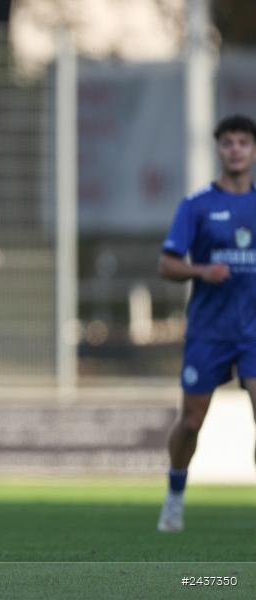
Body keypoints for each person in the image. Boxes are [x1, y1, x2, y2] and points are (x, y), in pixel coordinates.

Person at [157, 114, 256, 533]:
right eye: (228, 142)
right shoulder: (197, 205)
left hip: (252, 332)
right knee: (191, 422)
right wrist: (201, 270)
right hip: (209, 332)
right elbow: (167, 264)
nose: (236, 149)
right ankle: (175, 494)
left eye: (243, 142)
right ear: (219, 149)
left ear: (253, 150)